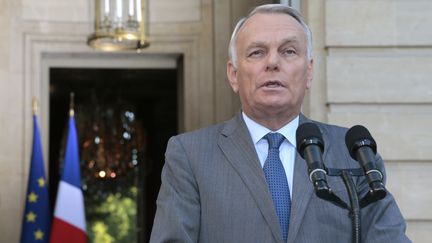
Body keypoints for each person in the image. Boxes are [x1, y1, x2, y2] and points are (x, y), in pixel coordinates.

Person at [150, 4, 411, 243]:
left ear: (309, 72)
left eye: (288, 51)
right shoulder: (190, 155)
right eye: (257, 52)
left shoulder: (353, 153)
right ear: (233, 74)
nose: (273, 62)